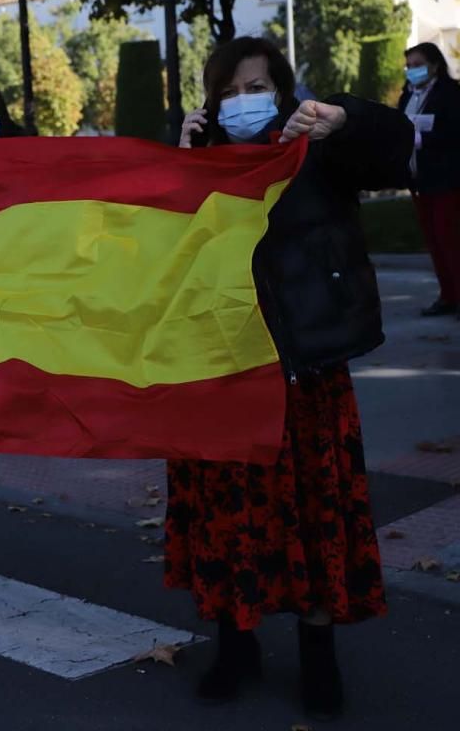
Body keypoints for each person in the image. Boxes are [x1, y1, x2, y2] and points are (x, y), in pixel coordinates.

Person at [174, 37, 413, 719]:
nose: (245, 101)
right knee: (230, 516)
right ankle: (235, 637)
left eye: (259, 85)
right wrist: (183, 166)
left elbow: (394, 151)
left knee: (313, 515)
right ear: (211, 101)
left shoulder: (317, 149)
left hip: (305, 371)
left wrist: (348, 118)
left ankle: (317, 652)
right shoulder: (198, 161)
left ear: (283, 89)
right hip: (220, 371)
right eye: (230, 90)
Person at [397, 42, 460, 319]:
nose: (412, 71)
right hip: (419, 180)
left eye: (417, 65)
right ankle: (448, 295)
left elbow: (453, 133)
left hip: (447, 178)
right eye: (409, 66)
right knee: (433, 240)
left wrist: (422, 137)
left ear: (434, 65)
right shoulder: (407, 95)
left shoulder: (450, 93)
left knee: (451, 239)